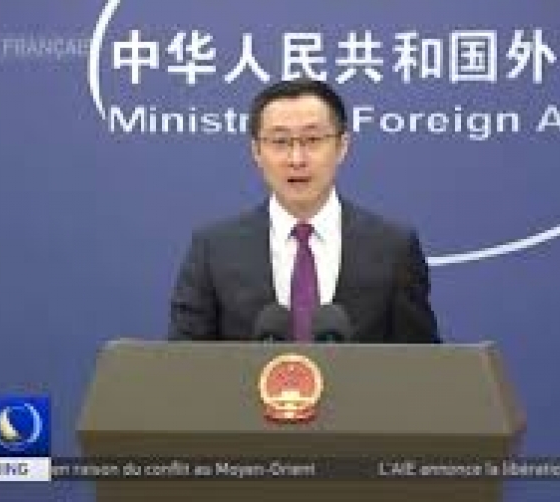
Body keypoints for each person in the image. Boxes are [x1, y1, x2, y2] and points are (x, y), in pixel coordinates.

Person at [168, 78, 439, 343]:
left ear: (342, 146)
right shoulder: (214, 249)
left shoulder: (393, 248)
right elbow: (182, 363)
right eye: (280, 141)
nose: (296, 159)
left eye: (312, 139)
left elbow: (421, 364)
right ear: (257, 151)